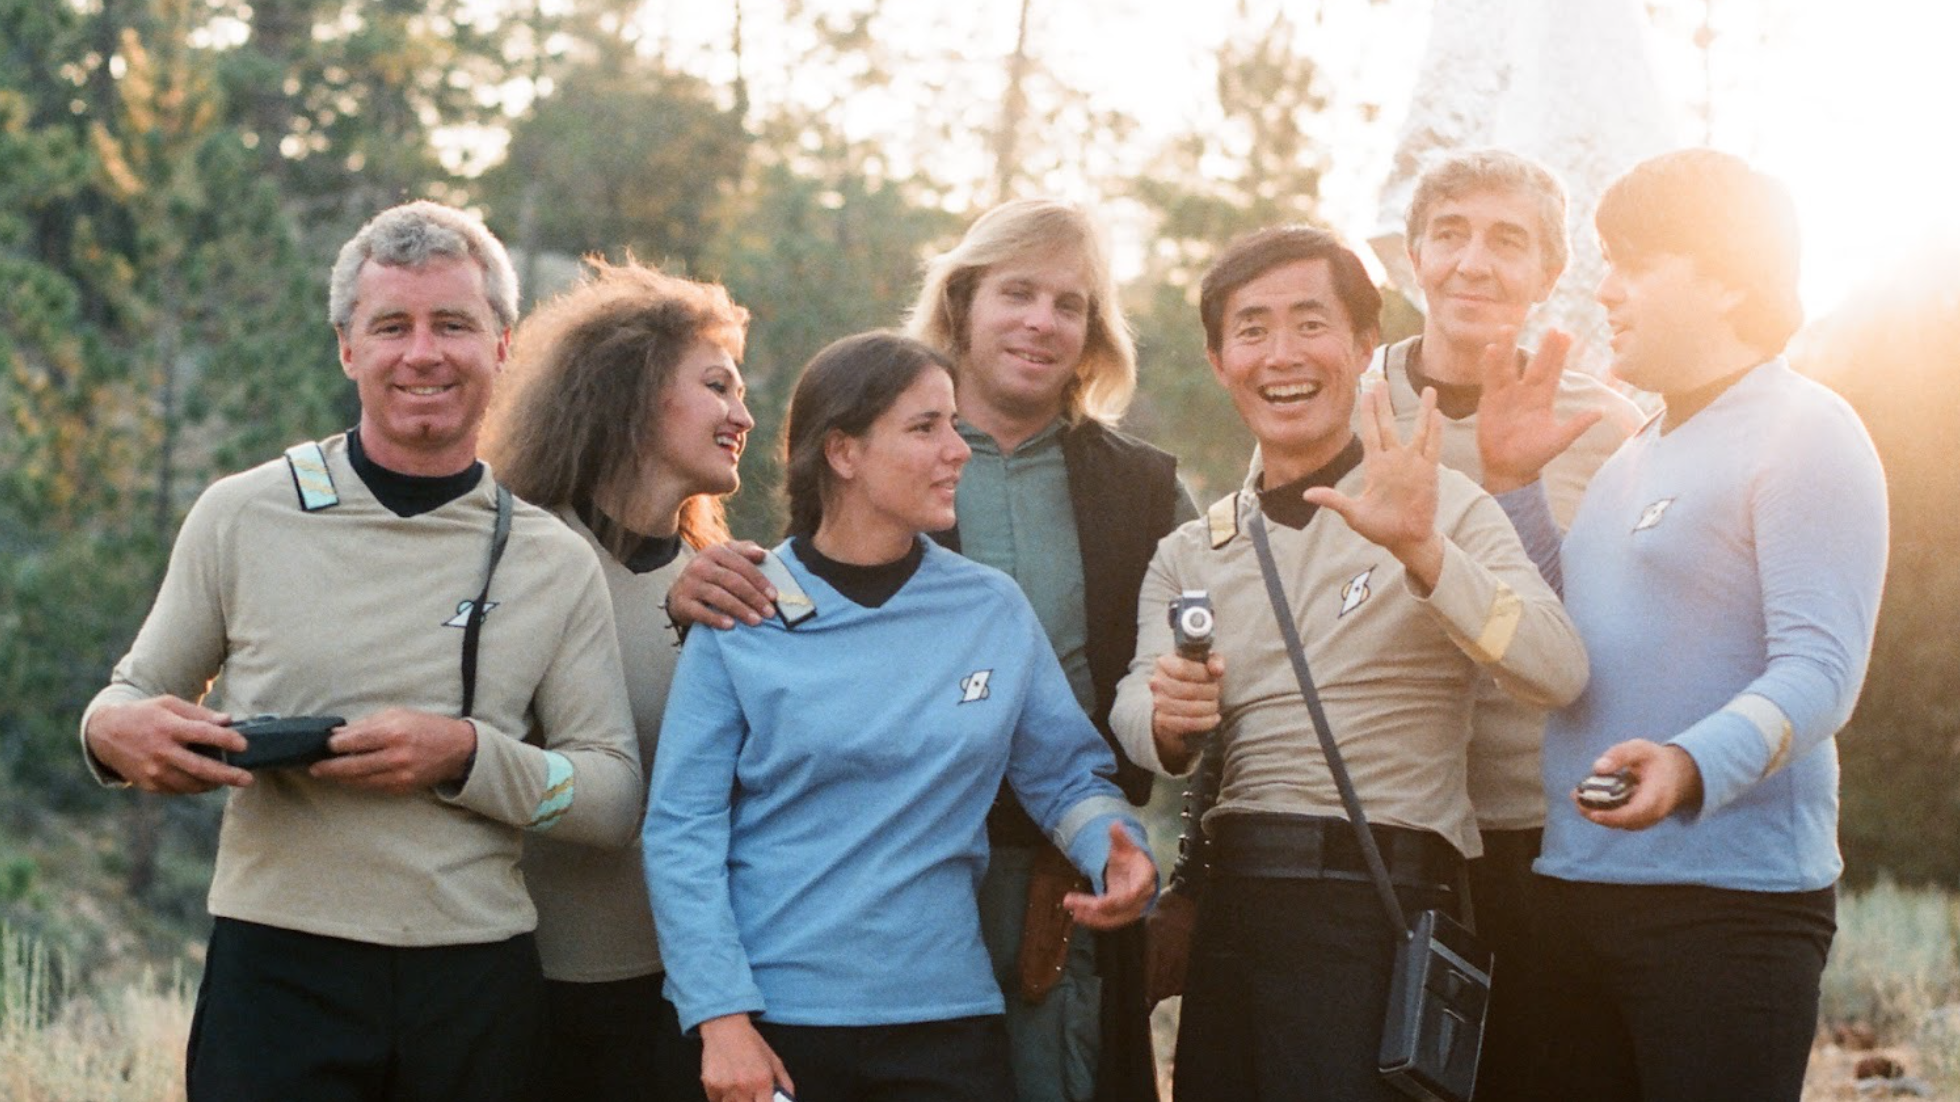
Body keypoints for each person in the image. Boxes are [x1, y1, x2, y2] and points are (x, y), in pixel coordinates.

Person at [78, 201, 643, 1101]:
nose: (423, 353)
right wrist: (115, 736)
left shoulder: (551, 558)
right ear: (349, 350)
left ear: (502, 345)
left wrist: (466, 756)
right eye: (392, 327)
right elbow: (128, 693)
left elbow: (609, 790)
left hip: (474, 982)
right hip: (276, 975)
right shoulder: (241, 513)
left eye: (453, 324)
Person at [664, 198, 1191, 1102]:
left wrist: (1120, 851)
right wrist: (720, 1016)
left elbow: (1066, 773)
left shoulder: (994, 604)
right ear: (844, 453)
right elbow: (683, 831)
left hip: (952, 1012)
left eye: (1069, 303)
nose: (957, 453)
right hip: (781, 1020)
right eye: (927, 430)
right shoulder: (748, 609)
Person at [1109, 225, 1587, 1100]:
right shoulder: (1193, 549)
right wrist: (1168, 717)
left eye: (1309, 323)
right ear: (1219, 361)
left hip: (1384, 906)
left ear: (1367, 347)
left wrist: (1426, 553)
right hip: (1238, 912)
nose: (1281, 355)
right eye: (1250, 330)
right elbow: (1139, 715)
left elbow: (1557, 667)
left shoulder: (1445, 503)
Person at [1477, 148, 1888, 1101]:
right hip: (1576, 891)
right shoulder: (1638, 452)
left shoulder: (1809, 428)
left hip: (1729, 911)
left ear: (1728, 276)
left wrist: (1694, 761)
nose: (1606, 291)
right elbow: (1570, 645)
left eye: (1633, 263)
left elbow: (1823, 669)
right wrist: (1512, 487)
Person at [1381, 148, 1643, 1099]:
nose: (1473, 264)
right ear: (1414, 256)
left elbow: (1625, 635)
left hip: (1544, 836)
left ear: (1550, 273)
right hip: (1392, 826)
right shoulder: (1348, 403)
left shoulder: (1607, 428)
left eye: (1507, 241)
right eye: (1448, 235)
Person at [483, 258, 754, 1102]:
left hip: (682, 1009)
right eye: (717, 385)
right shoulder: (512, 556)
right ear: (633, 391)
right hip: (519, 995)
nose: (742, 414)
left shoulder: (735, 586)